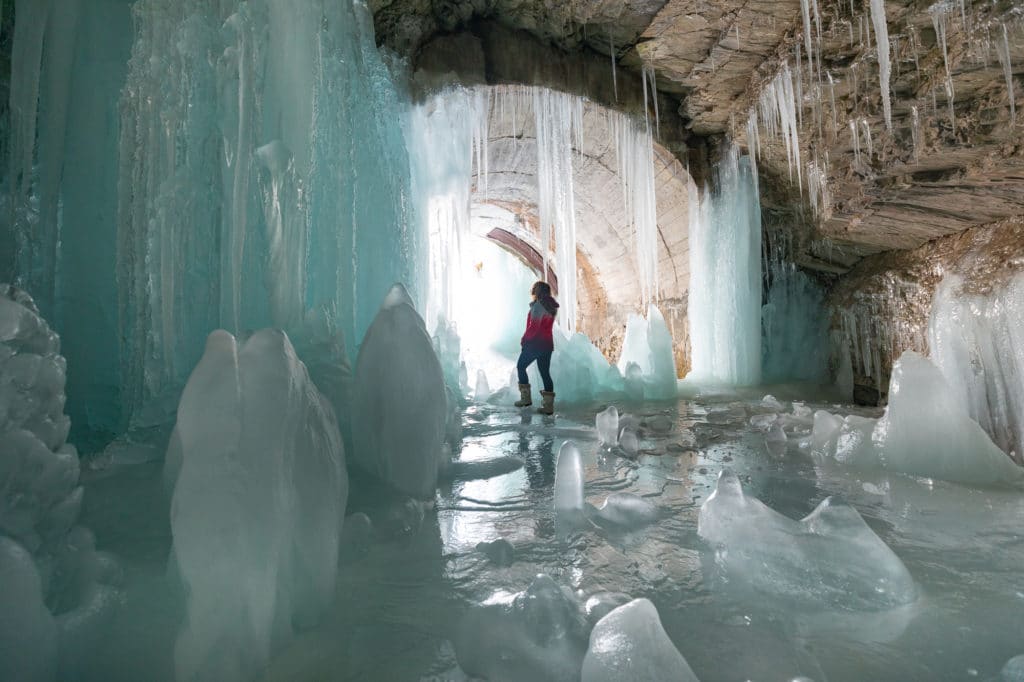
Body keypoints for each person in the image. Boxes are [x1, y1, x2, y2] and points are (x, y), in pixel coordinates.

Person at [515, 281, 558, 415]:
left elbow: (534, 327)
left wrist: (524, 340)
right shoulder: (551, 307)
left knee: (521, 366)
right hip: (547, 344)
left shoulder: (538, 306)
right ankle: (548, 407)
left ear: (537, 292)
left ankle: (526, 399)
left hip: (535, 343)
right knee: (545, 373)